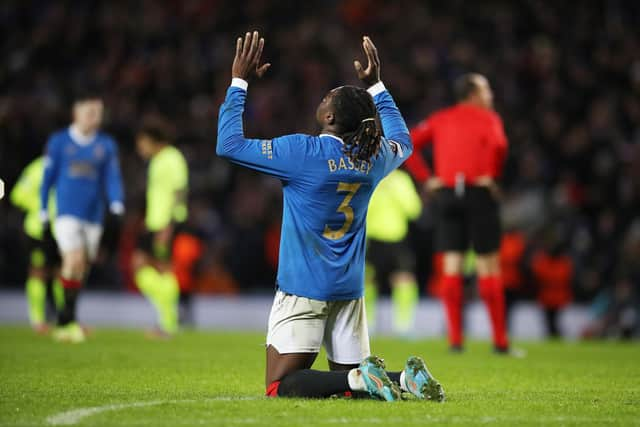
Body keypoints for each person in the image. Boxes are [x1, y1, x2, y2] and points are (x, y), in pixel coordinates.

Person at [217, 31, 444, 401]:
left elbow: (228, 145)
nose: (320, 99)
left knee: (280, 386)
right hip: (349, 289)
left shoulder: (302, 152)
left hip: (304, 287)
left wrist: (238, 80)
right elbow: (404, 141)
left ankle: (362, 379)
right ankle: (403, 378)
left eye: (326, 98)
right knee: (351, 385)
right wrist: (377, 87)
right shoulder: (373, 158)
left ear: (330, 115)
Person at [405, 73, 510, 353]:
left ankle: (455, 341)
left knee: (452, 266)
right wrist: (491, 174)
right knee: (488, 265)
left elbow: (409, 144)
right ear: (473, 95)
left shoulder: (441, 118)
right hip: (478, 193)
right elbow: (499, 146)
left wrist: (427, 178)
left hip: (448, 195)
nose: (490, 96)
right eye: (486, 90)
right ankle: (499, 342)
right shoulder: (489, 119)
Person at [40, 88, 125, 343]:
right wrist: (44, 208)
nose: (95, 117)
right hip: (66, 211)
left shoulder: (106, 145)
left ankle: (68, 317)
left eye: (99, 112)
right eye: (90, 112)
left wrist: (116, 202)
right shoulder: (58, 142)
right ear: (76, 113)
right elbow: (48, 179)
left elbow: (112, 177)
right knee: (73, 259)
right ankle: (65, 319)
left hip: (94, 215)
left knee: (82, 267)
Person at [133, 118, 189, 337]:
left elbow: (179, 191)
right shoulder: (158, 160)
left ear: (152, 140)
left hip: (165, 224)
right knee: (145, 268)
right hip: (154, 222)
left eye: (142, 143)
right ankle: (168, 319)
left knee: (162, 269)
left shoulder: (172, 158)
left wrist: (170, 225)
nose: (140, 148)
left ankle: (168, 323)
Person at [364, 168, 422, 336]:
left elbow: (414, 209)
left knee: (404, 279)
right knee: (367, 281)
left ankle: (404, 325)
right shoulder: (369, 177)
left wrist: (393, 191)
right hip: (372, 237)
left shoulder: (401, 180)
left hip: (398, 237)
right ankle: (368, 323)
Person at [10, 156, 64, 333]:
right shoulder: (37, 169)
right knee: (38, 272)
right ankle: (37, 319)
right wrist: (41, 207)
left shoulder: (69, 168)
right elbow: (17, 195)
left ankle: (64, 318)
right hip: (39, 230)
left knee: (62, 273)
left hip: (65, 229)